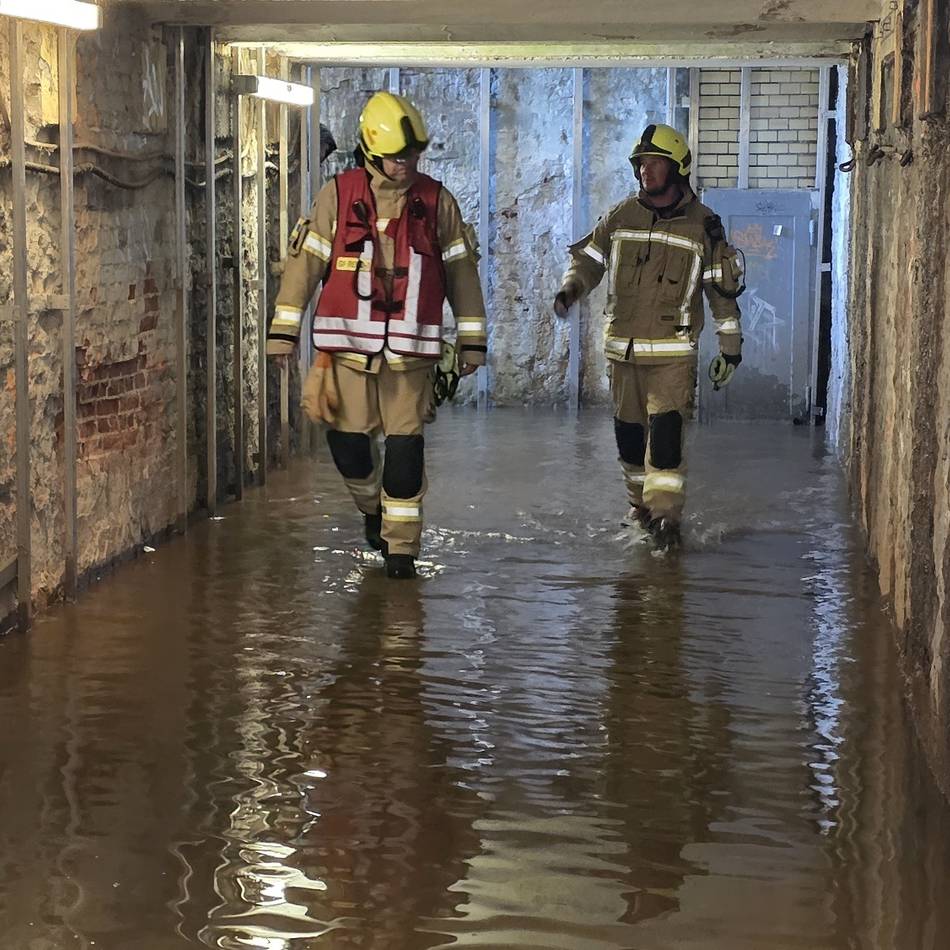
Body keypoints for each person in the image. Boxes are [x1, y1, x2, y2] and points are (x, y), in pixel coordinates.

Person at [267, 91, 488, 579]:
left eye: (412, 156)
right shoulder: (338, 195)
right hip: (347, 353)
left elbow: (462, 274)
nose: (406, 164)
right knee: (348, 446)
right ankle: (373, 511)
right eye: (395, 156)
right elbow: (306, 265)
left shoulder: (436, 202)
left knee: (406, 450)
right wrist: (283, 333)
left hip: (410, 357)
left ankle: (402, 550)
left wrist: (472, 341)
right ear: (370, 151)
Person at [554, 123, 744, 550]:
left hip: (672, 356)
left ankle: (666, 523)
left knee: (664, 440)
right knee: (628, 439)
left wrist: (730, 348)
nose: (646, 171)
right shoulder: (621, 216)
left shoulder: (703, 226)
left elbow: (721, 291)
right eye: (641, 164)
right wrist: (571, 288)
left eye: (655, 163)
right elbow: (588, 261)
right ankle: (640, 510)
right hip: (623, 352)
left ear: (677, 168)